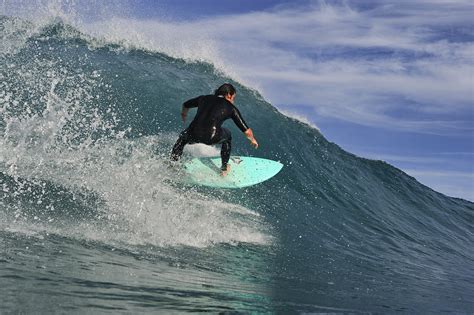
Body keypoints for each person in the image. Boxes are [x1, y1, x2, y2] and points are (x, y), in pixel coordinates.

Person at [171, 83, 258, 176]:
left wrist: (184, 114)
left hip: (193, 133)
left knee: (182, 139)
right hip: (211, 137)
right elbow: (247, 131)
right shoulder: (231, 108)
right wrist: (253, 140)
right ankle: (224, 169)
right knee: (228, 137)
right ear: (229, 95)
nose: (233, 100)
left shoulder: (203, 98)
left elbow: (185, 105)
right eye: (233, 97)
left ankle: (173, 165)